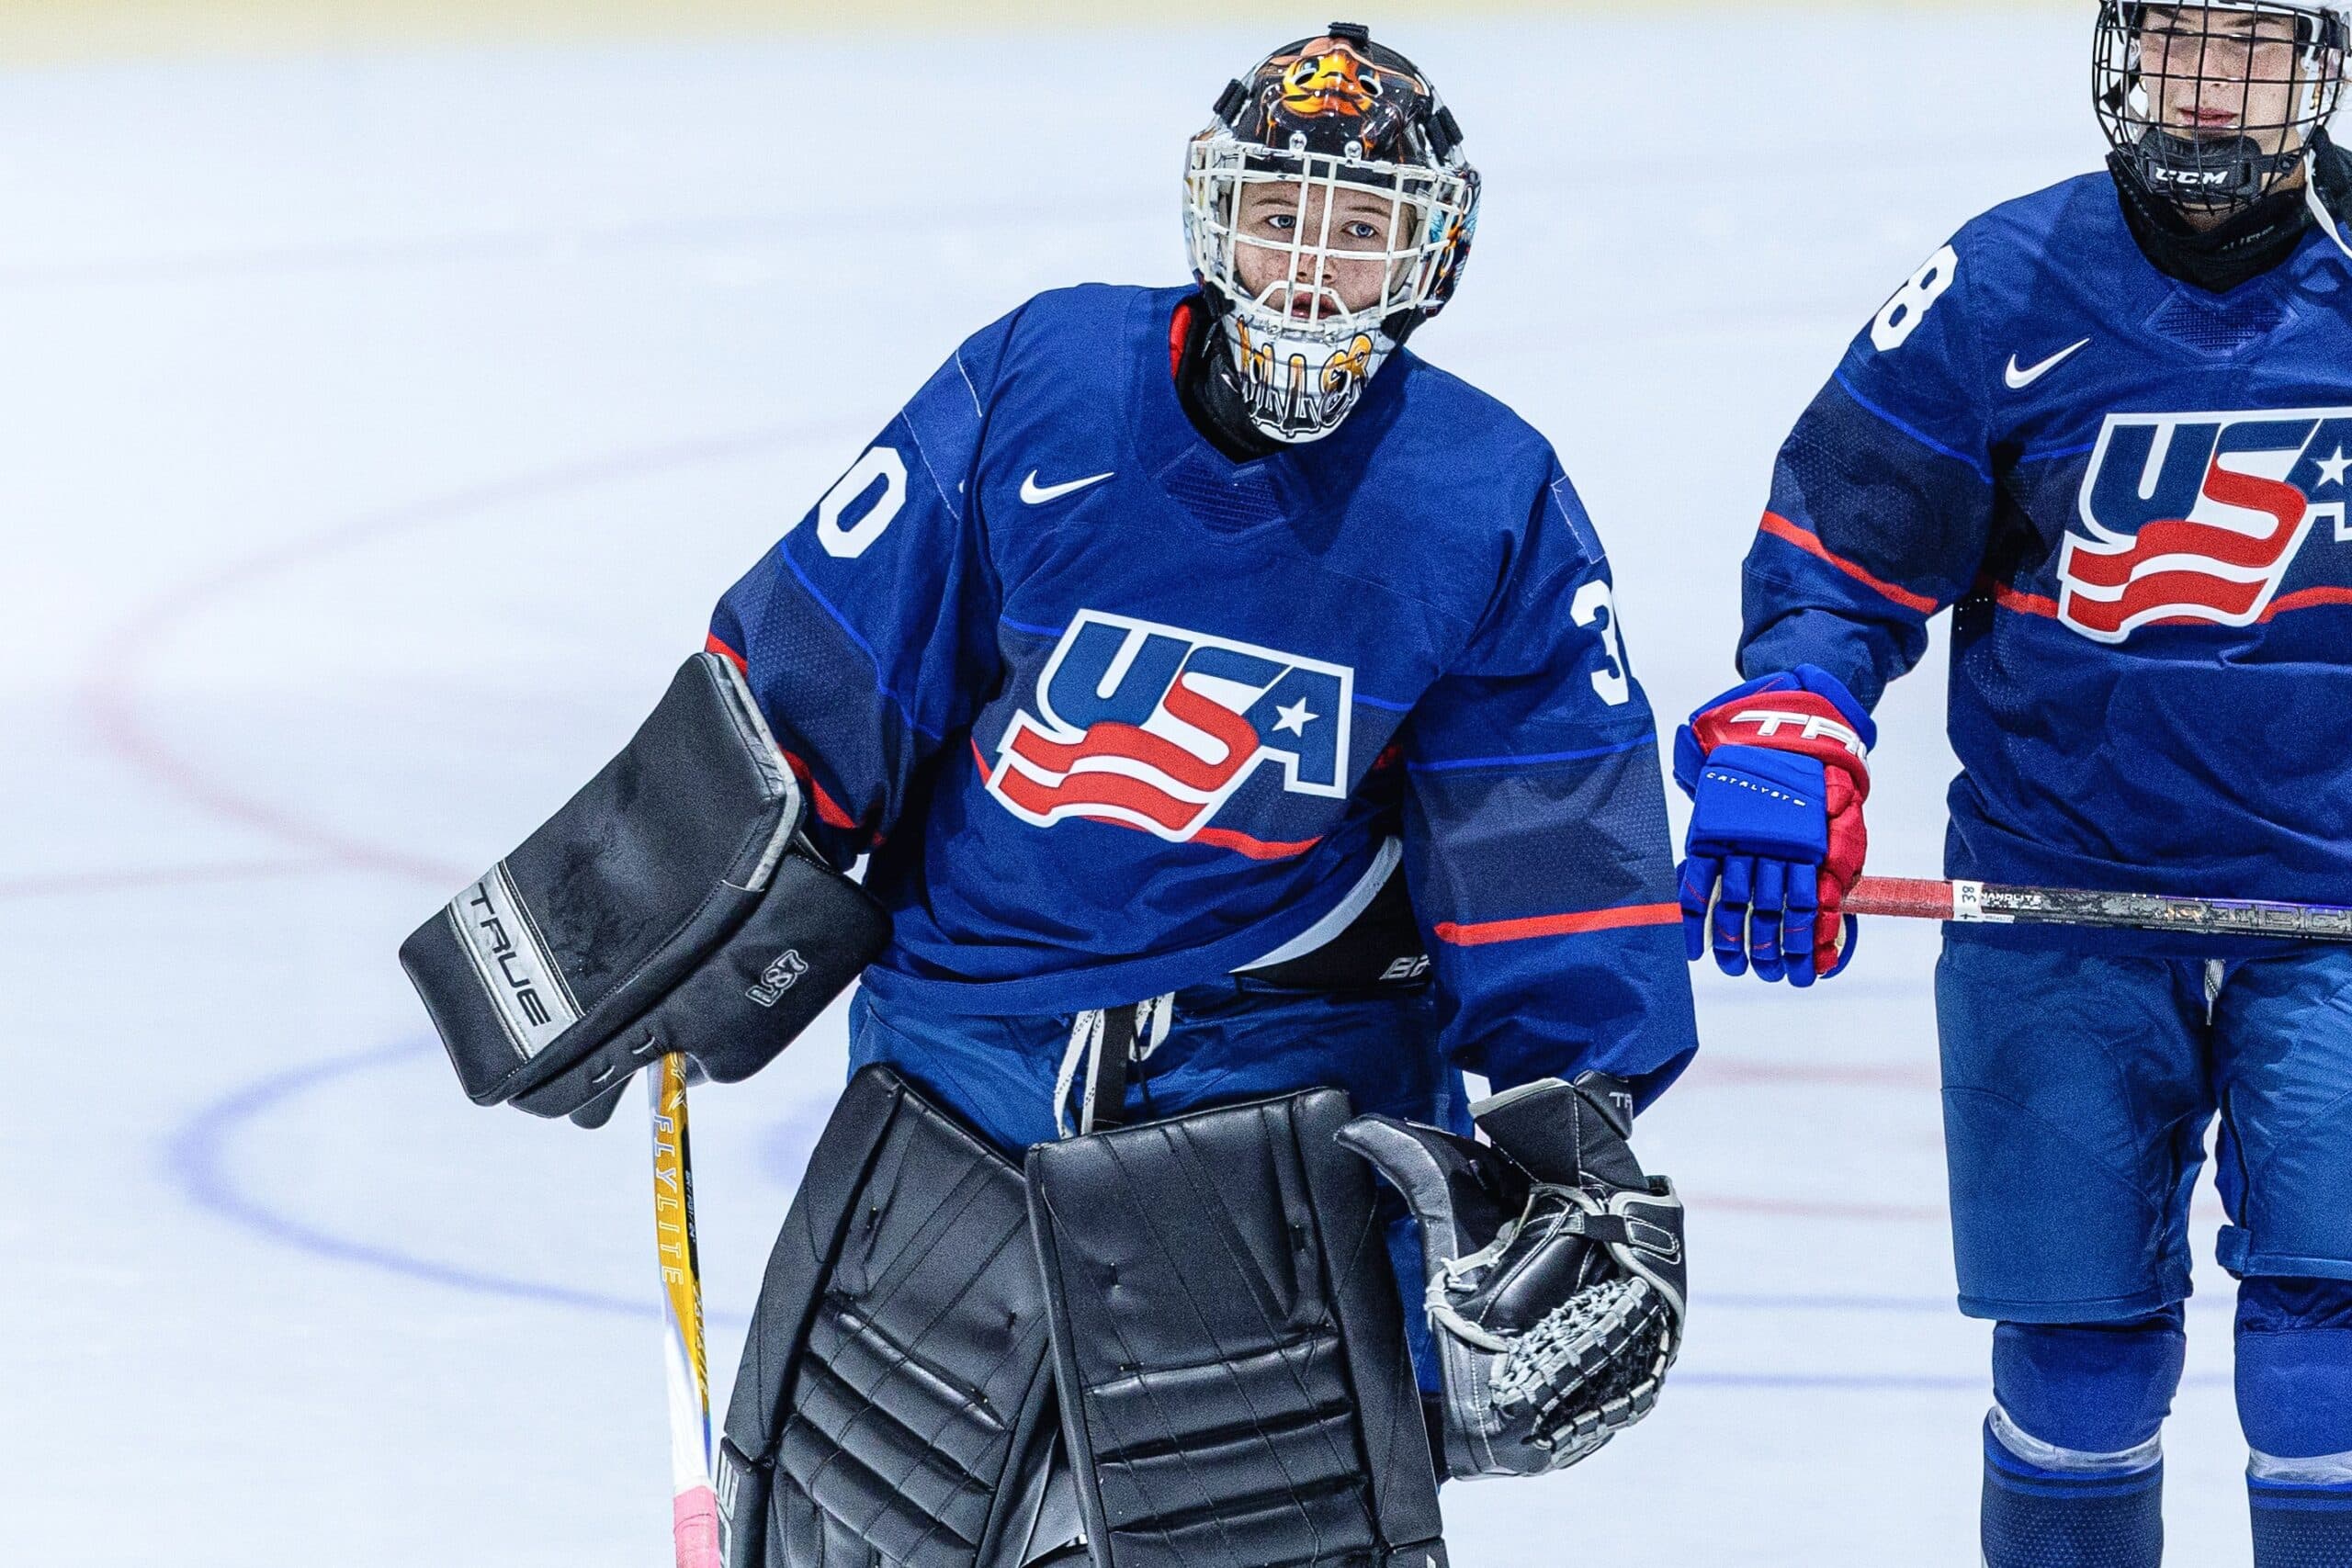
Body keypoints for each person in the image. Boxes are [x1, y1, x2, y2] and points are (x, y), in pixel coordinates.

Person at [401, 24, 1697, 1568]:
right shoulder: (1042, 382)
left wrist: (1577, 1161)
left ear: (1434, 258)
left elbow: (1551, 846)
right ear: (1213, 211)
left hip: (1268, 1114)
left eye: (1360, 234)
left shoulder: (1488, 498)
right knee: (853, 1540)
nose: (1306, 268)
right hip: (960, 1076)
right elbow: (817, 670)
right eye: (1280, 212)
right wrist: (628, 912)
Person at [1673, 5, 2352, 1564]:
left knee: (2333, 1363)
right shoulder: (1999, 287)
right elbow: (1839, 563)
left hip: (2332, 912)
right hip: (2060, 907)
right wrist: (1792, 717)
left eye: (2248, 49)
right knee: (2079, 1368)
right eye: (2179, 42)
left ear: (2312, 69)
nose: (2208, 89)